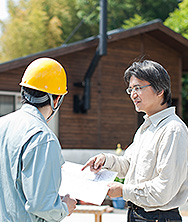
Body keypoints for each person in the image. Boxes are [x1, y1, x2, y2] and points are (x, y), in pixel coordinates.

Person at [82, 60, 188, 221]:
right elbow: (129, 166)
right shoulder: (146, 127)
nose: (133, 94)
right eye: (130, 89)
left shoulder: (173, 130)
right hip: (138, 214)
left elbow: (164, 190)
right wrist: (105, 160)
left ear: (160, 89)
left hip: (159, 217)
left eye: (138, 88)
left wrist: (123, 191)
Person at [0, 57, 77, 222]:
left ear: (24, 91)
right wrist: (65, 207)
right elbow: (41, 205)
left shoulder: (2, 124)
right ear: (56, 99)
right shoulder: (42, 137)